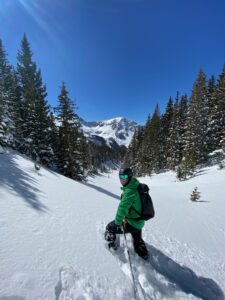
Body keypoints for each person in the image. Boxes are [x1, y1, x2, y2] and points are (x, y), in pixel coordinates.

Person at [105, 167, 149, 260]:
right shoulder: (135, 185)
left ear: (129, 176)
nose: (122, 179)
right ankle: (143, 254)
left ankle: (112, 247)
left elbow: (121, 209)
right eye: (120, 177)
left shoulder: (129, 191)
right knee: (137, 238)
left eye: (124, 176)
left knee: (110, 227)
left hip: (132, 223)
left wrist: (117, 223)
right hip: (139, 221)